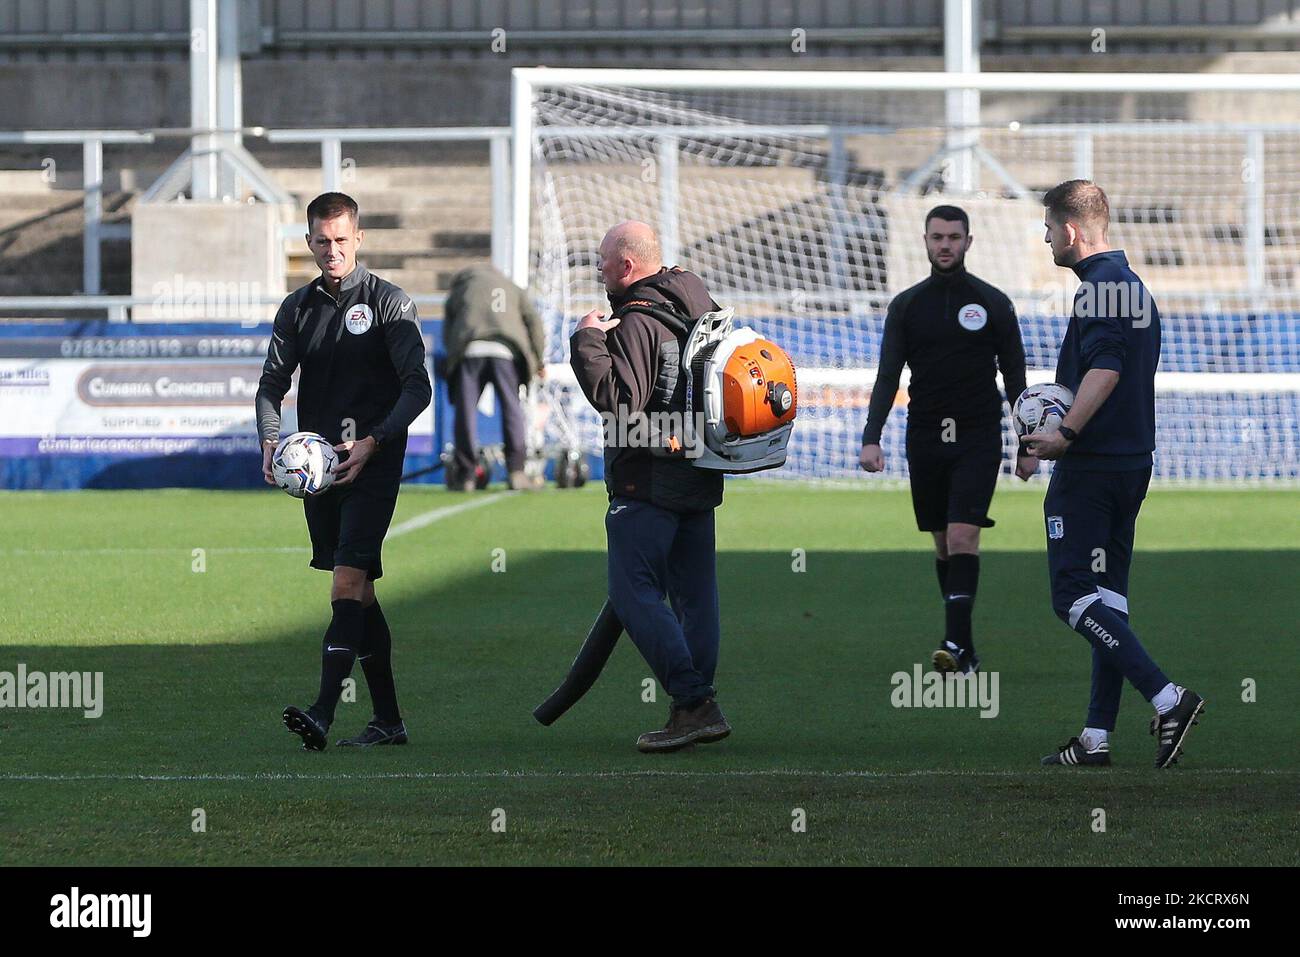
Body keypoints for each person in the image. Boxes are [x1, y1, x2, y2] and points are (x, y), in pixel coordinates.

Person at [1027, 179, 1204, 769]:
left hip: (1093, 469)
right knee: (1108, 599)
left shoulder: (1099, 290)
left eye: (1049, 228)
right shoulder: (1131, 286)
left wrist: (1063, 433)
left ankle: (1168, 697)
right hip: (1130, 463)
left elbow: (1105, 369)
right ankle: (1097, 738)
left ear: (1072, 231)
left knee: (1072, 595)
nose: (1046, 237)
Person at [256, 191, 432, 751]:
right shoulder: (297, 308)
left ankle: (323, 713)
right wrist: (269, 441)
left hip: (373, 463)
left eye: (341, 240)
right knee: (363, 596)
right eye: (321, 241)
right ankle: (389, 722)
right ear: (308, 241)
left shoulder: (390, 304)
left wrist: (375, 440)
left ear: (358, 239)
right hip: (318, 470)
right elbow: (270, 387)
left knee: (347, 583)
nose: (332, 250)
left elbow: (418, 387)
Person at [569, 221, 730, 753]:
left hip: (647, 477)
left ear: (627, 266)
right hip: (699, 467)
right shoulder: (698, 302)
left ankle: (693, 701)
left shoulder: (638, 321)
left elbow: (619, 403)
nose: (597, 269)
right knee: (695, 598)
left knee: (632, 592)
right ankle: (694, 710)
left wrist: (587, 339)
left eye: (602, 260)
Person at [859, 205, 1034, 675]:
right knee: (943, 543)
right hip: (926, 437)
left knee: (962, 534)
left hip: (979, 435)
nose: (945, 245)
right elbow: (887, 377)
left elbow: (1016, 378)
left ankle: (954, 643)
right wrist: (871, 437)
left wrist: (1026, 442)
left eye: (954, 237)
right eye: (937, 237)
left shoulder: (995, 304)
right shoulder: (907, 306)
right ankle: (965, 645)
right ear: (925, 241)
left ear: (968, 242)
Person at [442, 263, 546, 491]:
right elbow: (534, 322)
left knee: (465, 410)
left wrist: (452, 357)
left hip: (469, 349)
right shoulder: (512, 287)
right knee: (511, 408)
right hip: (505, 351)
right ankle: (516, 471)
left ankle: (467, 474)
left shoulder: (462, 287)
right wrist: (537, 360)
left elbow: (448, 325)